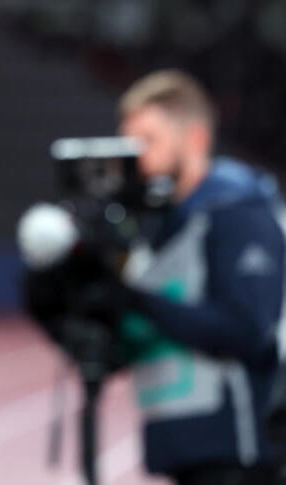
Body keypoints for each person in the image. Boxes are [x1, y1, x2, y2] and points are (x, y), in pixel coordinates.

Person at [114, 70, 284, 484]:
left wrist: (136, 299)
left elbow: (245, 328)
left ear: (195, 139)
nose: (136, 157)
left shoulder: (235, 209)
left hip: (238, 455)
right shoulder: (156, 227)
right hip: (187, 453)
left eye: (148, 141)